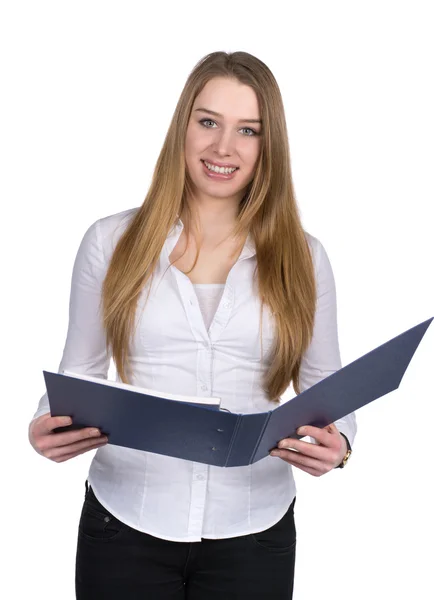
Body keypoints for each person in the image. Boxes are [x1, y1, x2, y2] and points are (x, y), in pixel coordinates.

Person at [28, 51, 356, 599]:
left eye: (247, 130)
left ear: (267, 144)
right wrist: (48, 425)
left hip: (254, 528)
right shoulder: (110, 243)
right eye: (208, 122)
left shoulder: (304, 255)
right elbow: (78, 373)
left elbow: (327, 383)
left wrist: (340, 443)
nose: (223, 147)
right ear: (182, 126)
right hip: (125, 520)